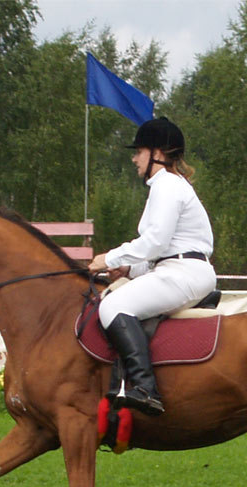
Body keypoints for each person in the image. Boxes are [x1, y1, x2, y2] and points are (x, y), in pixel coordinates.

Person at [89, 117, 216, 417]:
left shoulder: (167, 185)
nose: (135, 158)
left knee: (112, 307)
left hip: (184, 273)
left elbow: (156, 242)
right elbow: (164, 251)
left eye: (139, 151)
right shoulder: (168, 186)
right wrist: (129, 271)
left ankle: (146, 388)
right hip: (178, 268)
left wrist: (109, 258)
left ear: (157, 153)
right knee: (118, 296)